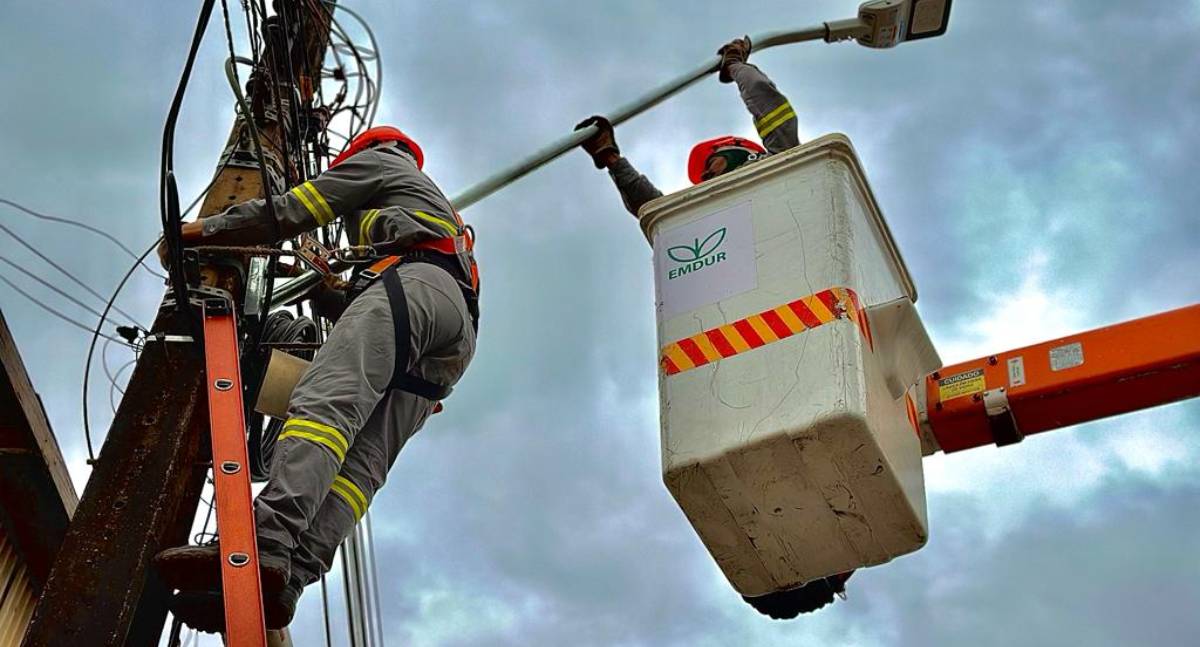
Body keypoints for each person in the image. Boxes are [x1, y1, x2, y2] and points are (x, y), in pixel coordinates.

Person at [155, 126, 480, 632]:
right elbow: (371, 313)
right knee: (362, 466)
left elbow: (289, 211)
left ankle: (263, 544)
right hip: (452, 329)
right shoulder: (428, 206)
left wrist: (202, 231)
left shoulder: (378, 161)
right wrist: (329, 291)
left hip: (416, 285)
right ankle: (288, 578)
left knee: (325, 408)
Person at [577, 37, 852, 618]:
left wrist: (739, 68)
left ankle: (803, 564)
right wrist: (614, 161)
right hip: (780, 360)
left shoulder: (779, 178)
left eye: (711, 171)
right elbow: (653, 210)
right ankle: (804, 563)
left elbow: (771, 114)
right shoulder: (734, 212)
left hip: (777, 361)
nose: (711, 179)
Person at [575, 36, 799, 218]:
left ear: (739, 153)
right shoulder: (706, 217)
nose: (705, 174)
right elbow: (652, 209)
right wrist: (611, 158)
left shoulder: (783, 163)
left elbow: (766, 100)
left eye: (711, 164)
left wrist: (734, 66)